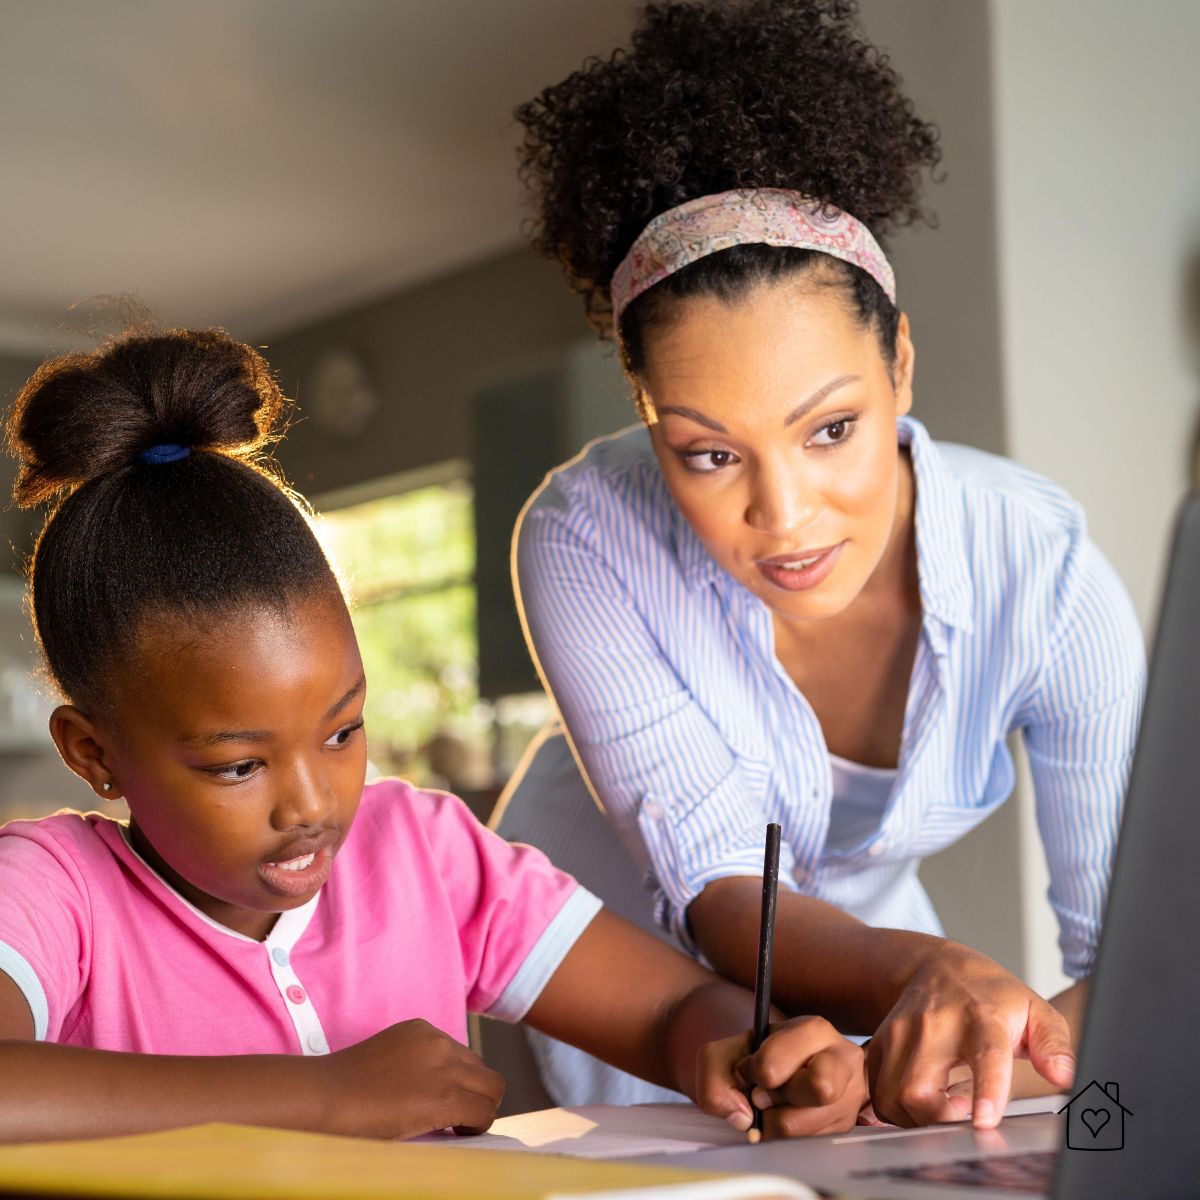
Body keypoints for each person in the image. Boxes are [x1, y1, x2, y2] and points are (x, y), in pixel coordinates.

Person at [511, 0, 1144, 1127]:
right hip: (597, 954)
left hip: (865, 957)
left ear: (898, 361)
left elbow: (1131, 952)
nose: (785, 514)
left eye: (830, 429)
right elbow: (718, 890)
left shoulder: (1042, 573)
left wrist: (997, 1044)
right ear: (648, 419)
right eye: (708, 453)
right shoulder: (583, 537)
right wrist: (928, 974)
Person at [0, 325, 868, 1143]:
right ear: (93, 754)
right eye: (238, 766)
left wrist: (747, 1051)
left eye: (343, 732)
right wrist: (323, 1097)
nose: (310, 804)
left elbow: (670, 1011)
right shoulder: (55, 894)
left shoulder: (421, 853)